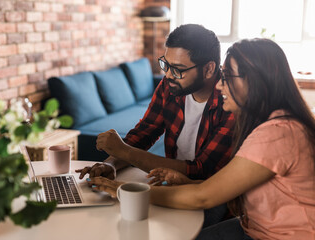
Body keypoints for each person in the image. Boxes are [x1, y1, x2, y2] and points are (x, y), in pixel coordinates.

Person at [88, 38, 315, 240]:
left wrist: (121, 189)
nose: (219, 85)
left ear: (256, 82)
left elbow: (202, 197)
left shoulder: (276, 133)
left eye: (226, 78)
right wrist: (112, 163)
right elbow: (234, 188)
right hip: (253, 224)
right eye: (166, 66)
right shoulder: (270, 124)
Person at [76, 24, 235, 227]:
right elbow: (144, 133)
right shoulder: (169, 87)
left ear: (209, 68)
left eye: (177, 69)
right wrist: (111, 164)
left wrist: (124, 151)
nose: (168, 75)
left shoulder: (230, 101)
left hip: (212, 198)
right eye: (165, 65)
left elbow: (201, 171)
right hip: (172, 185)